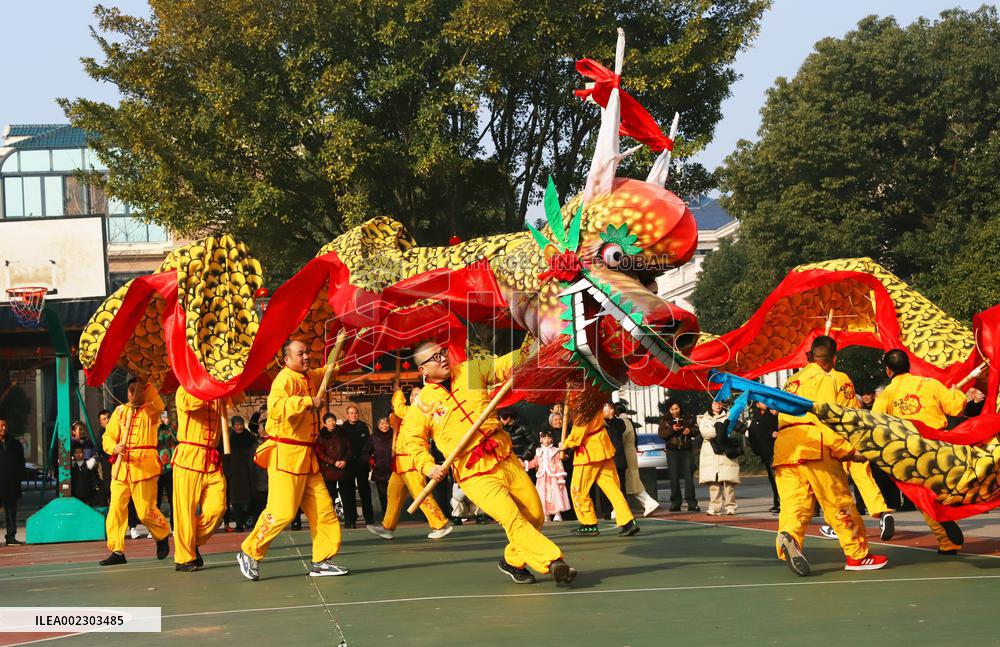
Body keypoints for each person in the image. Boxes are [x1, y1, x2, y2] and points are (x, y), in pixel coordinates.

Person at [399, 340, 576, 584]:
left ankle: (512, 561)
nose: (442, 358)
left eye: (442, 353)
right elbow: (413, 443)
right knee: (511, 516)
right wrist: (429, 466)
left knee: (534, 515)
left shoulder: (470, 371)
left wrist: (533, 348)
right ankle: (553, 561)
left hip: (504, 456)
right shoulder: (422, 404)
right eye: (434, 358)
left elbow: (503, 365)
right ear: (423, 370)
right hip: (473, 472)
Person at [775, 336, 887, 576]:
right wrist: (849, 449)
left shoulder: (792, 381)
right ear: (833, 358)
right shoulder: (837, 378)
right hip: (818, 446)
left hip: (785, 450)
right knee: (839, 503)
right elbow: (839, 418)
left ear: (810, 357)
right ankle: (858, 556)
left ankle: (789, 537)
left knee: (795, 506)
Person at [237, 339, 347, 580]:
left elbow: (329, 370)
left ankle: (322, 560)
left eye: (308, 351)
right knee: (282, 512)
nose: (306, 356)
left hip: (307, 459)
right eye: (301, 353)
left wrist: (343, 343)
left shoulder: (309, 377)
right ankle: (250, 551)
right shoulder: (284, 379)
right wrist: (308, 401)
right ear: (287, 359)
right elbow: (276, 407)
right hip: (286, 457)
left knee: (324, 511)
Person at [872, 348, 967, 555]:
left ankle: (947, 540)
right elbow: (955, 408)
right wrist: (956, 393)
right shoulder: (930, 384)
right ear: (909, 365)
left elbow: (876, 425)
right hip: (940, 445)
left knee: (922, 496)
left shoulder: (887, 394)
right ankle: (947, 517)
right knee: (943, 490)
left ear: (888, 371)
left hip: (912, 451)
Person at [99, 378, 172, 566]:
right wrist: (114, 448)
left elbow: (159, 404)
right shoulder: (120, 411)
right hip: (122, 467)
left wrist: (146, 385)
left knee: (145, 511)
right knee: (115, 509)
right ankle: (117, 550)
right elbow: (108, 436)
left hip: (144, 466)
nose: (132, 394)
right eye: (131, 390)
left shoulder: (151, 410)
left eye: (136, 390)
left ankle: (162, 533)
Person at [368, 386, 452, 540]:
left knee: (421, 494)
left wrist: (398, 392)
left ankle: (440, 524)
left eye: (417, 394)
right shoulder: (409, 412)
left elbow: (399, 408)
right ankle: (387, 526)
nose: (414, 397)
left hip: (412, 459)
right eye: (412, 394)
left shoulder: (420, 411)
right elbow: (395, 415)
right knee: (393, 493)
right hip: (400, 461)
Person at [563, 400, 638, 536]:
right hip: (603, 449)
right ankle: (628, 521)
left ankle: (589, 523)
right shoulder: (595, 399)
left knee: (578, 489)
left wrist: (565, 444)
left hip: (589, 453)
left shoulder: (583, 405)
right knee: (612, 489)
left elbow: (578, 433)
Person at [698, 401, 741, 515]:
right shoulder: (704, 418)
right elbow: (705, 433)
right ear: (710, 404)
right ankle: (714, 507)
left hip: (726, 452)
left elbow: (732, 431)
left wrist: (720, 431)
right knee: (713, 482)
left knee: (728, 481)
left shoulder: (730, 416)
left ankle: (730, 506)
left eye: (720, 403)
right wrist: (721, 431)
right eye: (715, 403)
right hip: (710, 454)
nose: (717, 405)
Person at [618, 402, 660, 517]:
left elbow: (621, 437)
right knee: (631, 480)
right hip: (629, 452)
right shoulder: (629, 420)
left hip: (625, 454)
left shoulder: (623, 422)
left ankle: (648, 502)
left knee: (631, 480)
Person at [657, 399, 700, 512]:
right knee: (673, 477)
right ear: (669, 410)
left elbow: (697, 430)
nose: (675, 411)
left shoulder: (688, 417)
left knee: (688, 478)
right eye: (672, 409)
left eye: (677, 408)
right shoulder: (664, 420)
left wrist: (689, 430)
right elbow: (662, 434)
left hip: (686, 450)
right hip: (672, 451)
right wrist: (672, 429)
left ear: (680, 408)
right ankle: (675, 503)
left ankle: (692, 503)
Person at [340, 404, 375, 528]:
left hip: (361, 465)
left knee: (365, 492)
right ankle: (350, 520)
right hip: (348, 466)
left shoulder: (363, 427)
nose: (354, 415)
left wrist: (367, 460)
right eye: (351, 413)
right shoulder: (342, 429)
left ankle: (369, 519)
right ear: (347, 415)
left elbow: (368, 446)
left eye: (355, 413)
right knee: (348, 494)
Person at [315, 412, 351, 516]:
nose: (331, 423)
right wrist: (333, 462)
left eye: (333, 420)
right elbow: (320, 453)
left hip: (343, 468)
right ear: (325, 424)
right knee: (329, 496)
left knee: (346, 496)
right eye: (329, 421)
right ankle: (330, 517)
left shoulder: (342, 433)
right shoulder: (321, 435)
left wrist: (344, 460)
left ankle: (349, 519)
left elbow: (349, 448)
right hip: (328, 470)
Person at [529, 431, 570, 521]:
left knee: (555, 494)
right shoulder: (539, 451)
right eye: (544, 438)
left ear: (551, 439)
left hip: (553, 476)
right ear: (541, 439)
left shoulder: (555, 451)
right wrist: (525, 464)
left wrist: (560, 477)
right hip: (542, 477)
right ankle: (545, 514)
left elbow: (559, 464)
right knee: (542, 495)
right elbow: (535, 462)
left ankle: (557, 513)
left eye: (548, 438)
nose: (546, 440)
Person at [746, 403, 780, 513]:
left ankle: (780, 503)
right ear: (757, 404)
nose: (764, 403)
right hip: (766, 452)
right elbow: (755, 433)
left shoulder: (774, 412)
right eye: (761, 401)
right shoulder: (756, 416)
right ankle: (778, 502)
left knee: (779, 479)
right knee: (773, 479)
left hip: (777, 450)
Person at [225, 416, 256, 533]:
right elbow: (226, 456)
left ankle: (248, 521)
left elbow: (254, 450)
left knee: (249, 499)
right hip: (234, 473)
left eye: (241, 424)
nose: (239, 427)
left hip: (247, 471)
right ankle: (239, 525)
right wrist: (228, 472)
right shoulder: (229, 438)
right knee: (236, 501)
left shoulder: (249, 437)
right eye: (237, 425)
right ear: (233, 426)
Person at [0, 419, 25, 545]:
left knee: (11, 512)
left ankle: (11, 537)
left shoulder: (15, 444)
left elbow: (21, 463)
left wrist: (18, 477)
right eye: (1, 426)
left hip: (11, 484)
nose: (3, 428)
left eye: (5, 426)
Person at [501, 407, 538, 481]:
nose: (500, 420)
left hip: (524, 462)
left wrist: (523, 457)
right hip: (512, 462)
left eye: (501, 418)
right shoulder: (503, 430)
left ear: (508, 418)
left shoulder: (523, 427)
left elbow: (533, 443)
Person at [366, 417, 394, 513]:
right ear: (378, 426)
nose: (384, 426)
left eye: (386, 423)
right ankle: (386, 517)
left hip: (394, 469)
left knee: (394, 495)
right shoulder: (373, 437)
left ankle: (394, 516)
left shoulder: (394, 436)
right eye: (381, 424)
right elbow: (366, 453)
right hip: (380, 470)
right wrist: (373, 463)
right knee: (383, 496)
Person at [156, 414, 176, 527]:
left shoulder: (171, 427)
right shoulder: (151, 429)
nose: (161, 418)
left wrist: (168, 425)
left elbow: (177, 438)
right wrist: (157, 427)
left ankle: (174, 526)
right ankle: (157, 526)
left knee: (172, 499)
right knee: (156, 501)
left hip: (170, 467)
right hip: (156, 469)